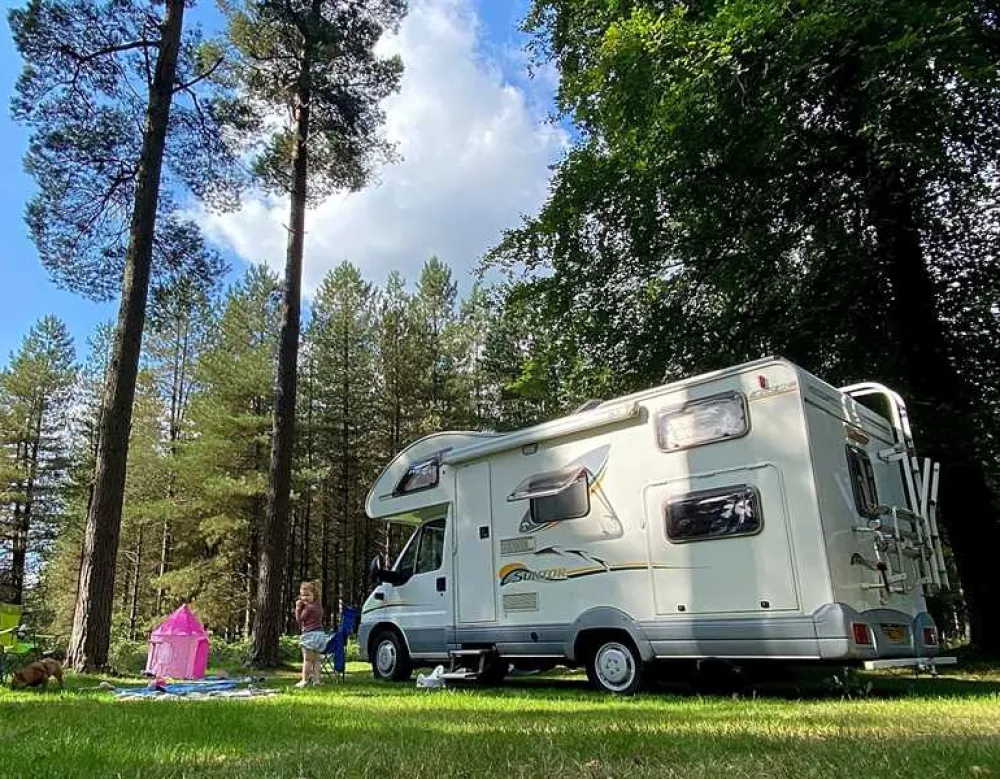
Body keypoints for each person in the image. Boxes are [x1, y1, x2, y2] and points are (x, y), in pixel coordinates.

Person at [294, 581, 326, 687]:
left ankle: (304, 680)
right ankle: (317, 680)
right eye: (302, 595)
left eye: (307, 595)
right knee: (316, 660)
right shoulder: (318, 606)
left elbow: (300, 620)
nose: (304, 598)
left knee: (307, 659)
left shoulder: (308, 608)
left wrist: (298, 608)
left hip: (309, 635)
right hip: (320, 634)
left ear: (314, 595)